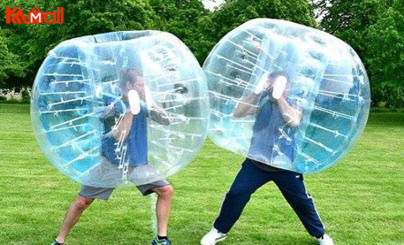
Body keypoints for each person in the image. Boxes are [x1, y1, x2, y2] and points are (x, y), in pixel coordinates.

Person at [200, 71, 334, 245]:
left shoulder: (296, 103)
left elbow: (293, 121)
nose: (275, 87)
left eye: (281, 84)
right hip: (257, 162)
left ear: (288, 87)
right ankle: (219, 230)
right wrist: (256, 92)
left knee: (301, 201)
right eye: (272, 83)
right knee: (236, 193)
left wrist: (280, 98)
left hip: (284, 165)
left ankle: (320, 235)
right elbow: (237, 113)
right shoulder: (262, 100)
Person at [50, 69, 173, 245]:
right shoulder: (111, 103)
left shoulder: (143, 102)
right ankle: (59, 240)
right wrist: (132, 108)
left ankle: (161, 238)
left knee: (166, 190)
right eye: (140, 85)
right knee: (83, 201)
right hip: (112, 163)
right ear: (129, 85)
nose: (142, 88)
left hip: (139, 163)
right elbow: (119, 136)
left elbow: (166, 121)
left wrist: (153, 105)